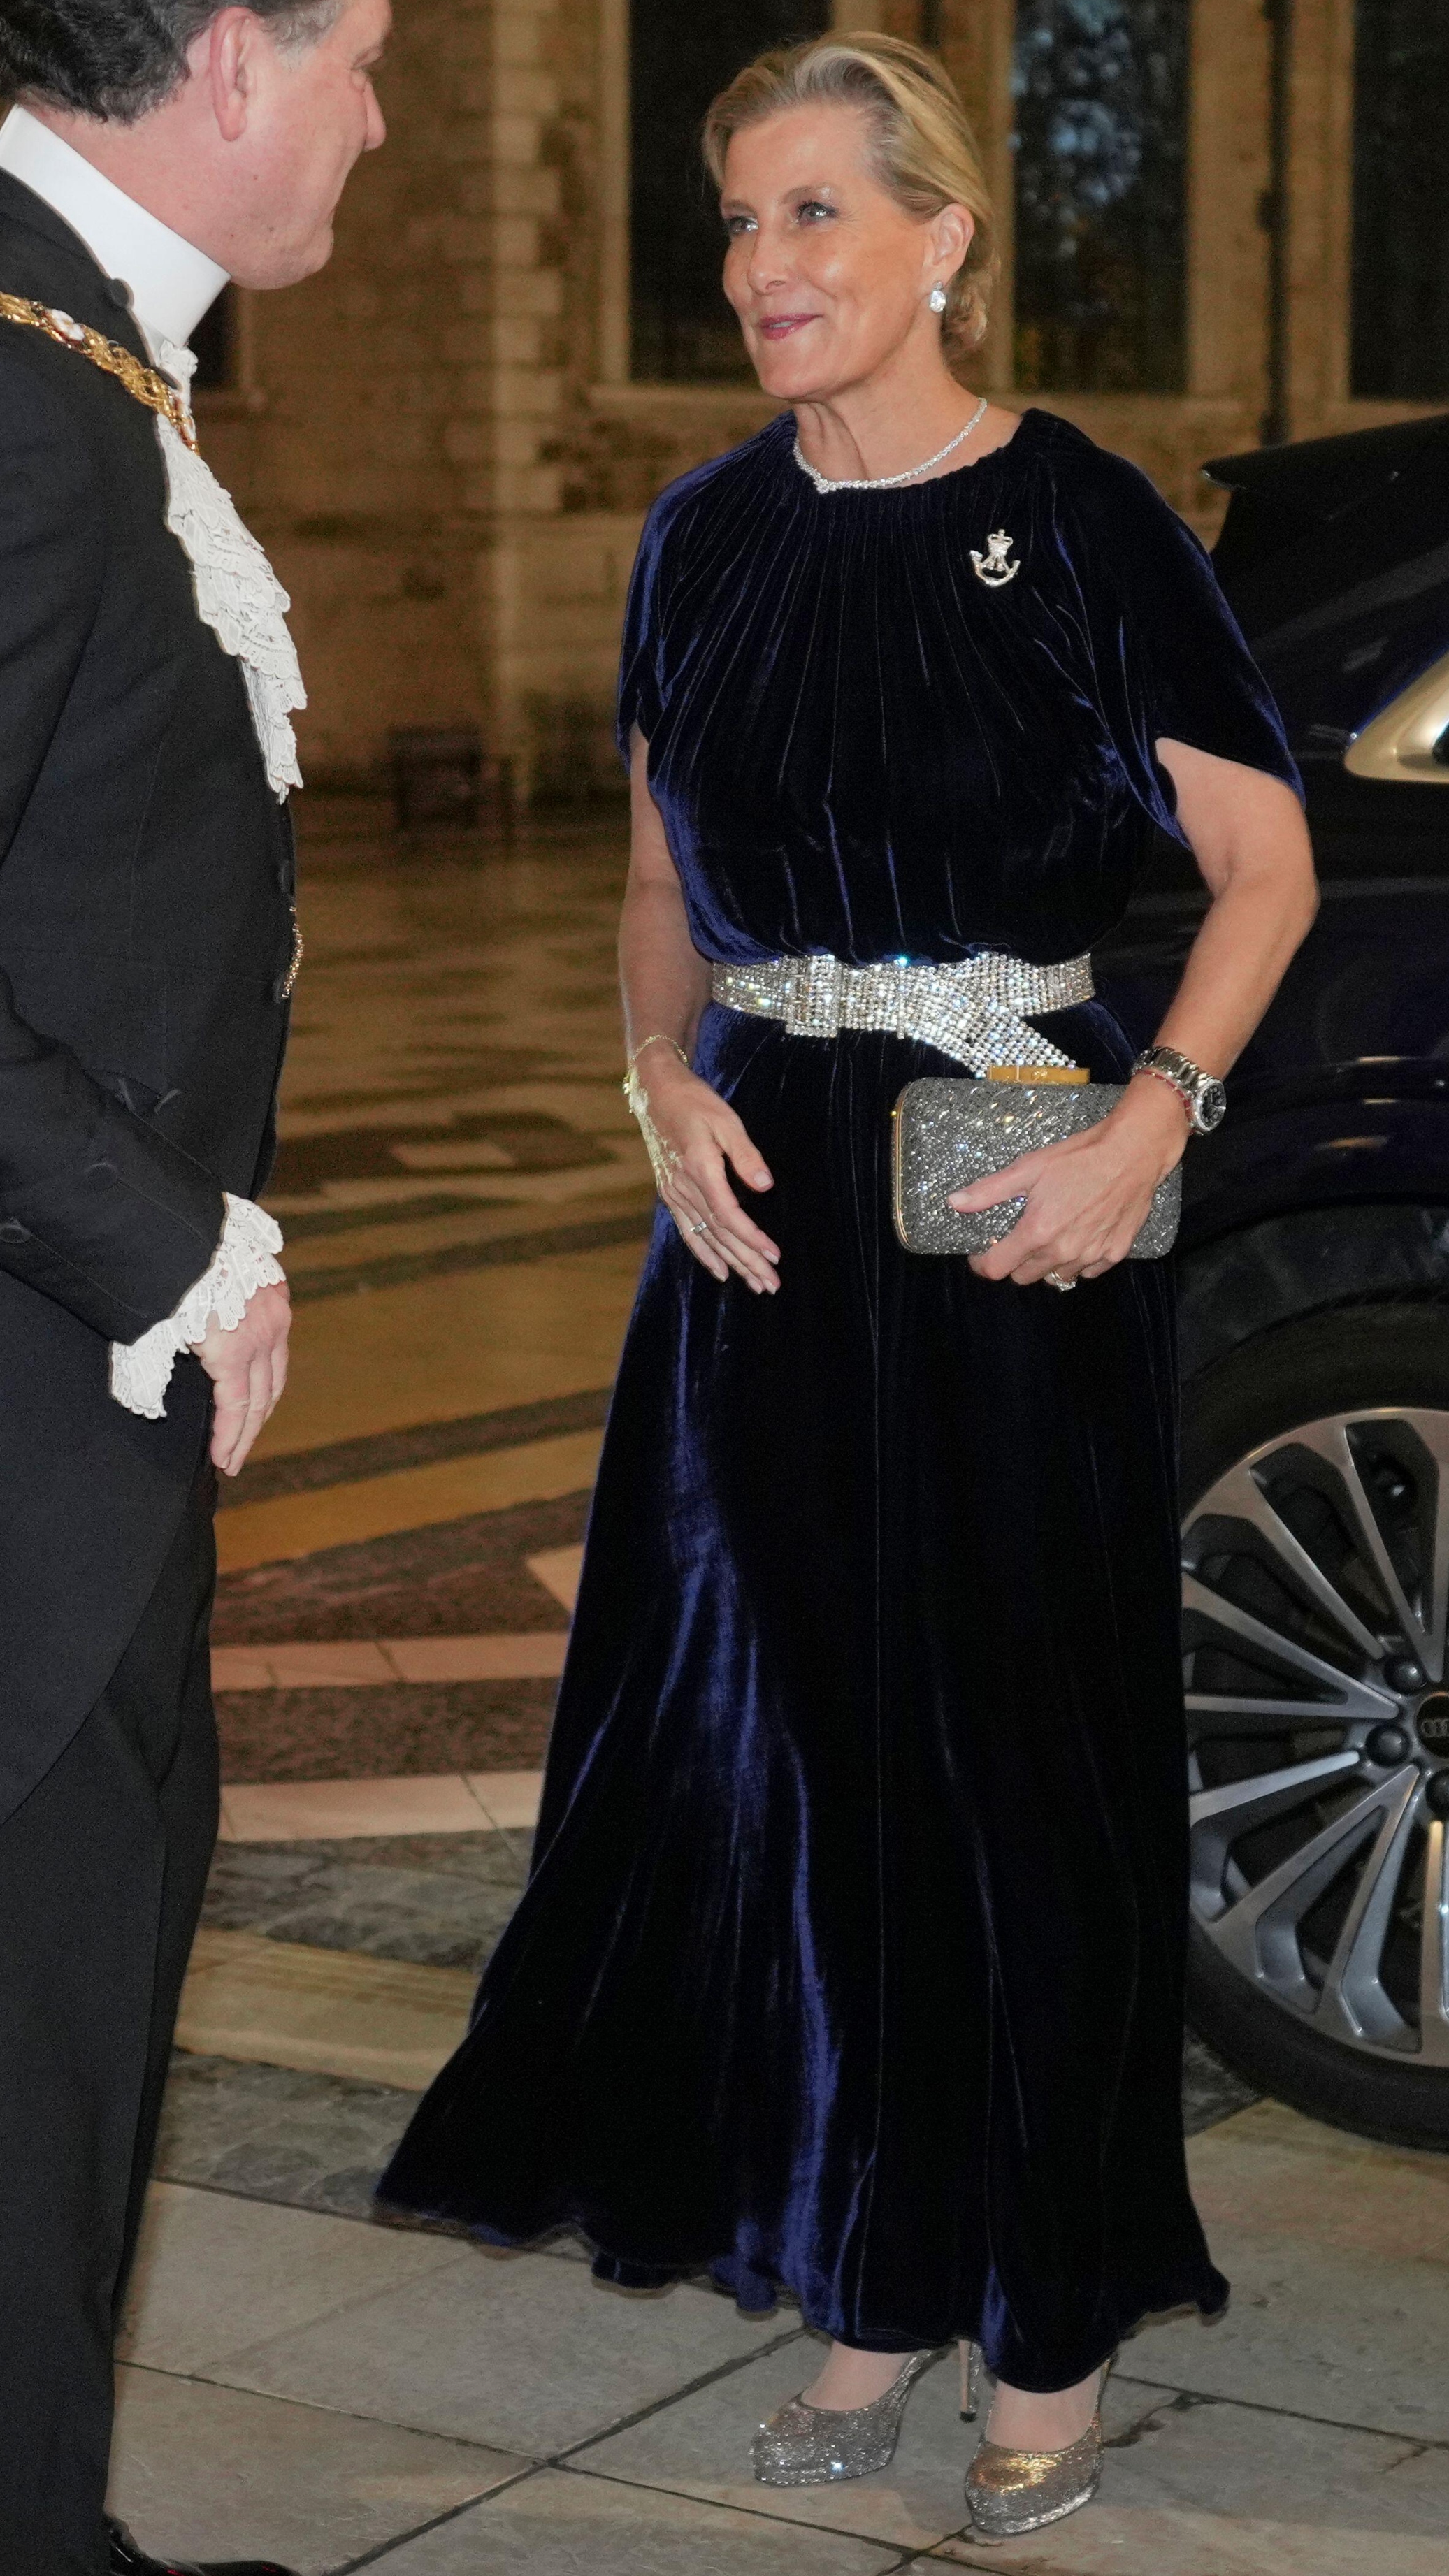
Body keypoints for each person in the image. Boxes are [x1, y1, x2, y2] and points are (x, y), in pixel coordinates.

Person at [380, 31, 1317, 2544]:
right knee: (801, 1759)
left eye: (813, 212)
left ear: (941, 238)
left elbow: (1263, 869)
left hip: (1013, 1188)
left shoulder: (1080, 519)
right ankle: (873, 2271)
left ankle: (1046, 2311)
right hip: (765, 1210)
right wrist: (649, 1083)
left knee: (1021, 1757)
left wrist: (1153, 1121)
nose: (762, 265)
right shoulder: (700, 539)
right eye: (737, 221)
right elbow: (657, 887)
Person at [0, 2, 386, 2568]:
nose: (380, 117)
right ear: (232, 59)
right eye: (363, 56)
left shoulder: (76, 350)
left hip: (81, 1416)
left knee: (68, 2049)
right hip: (30, 1418)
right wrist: (178, 1246)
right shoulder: (19, 399)